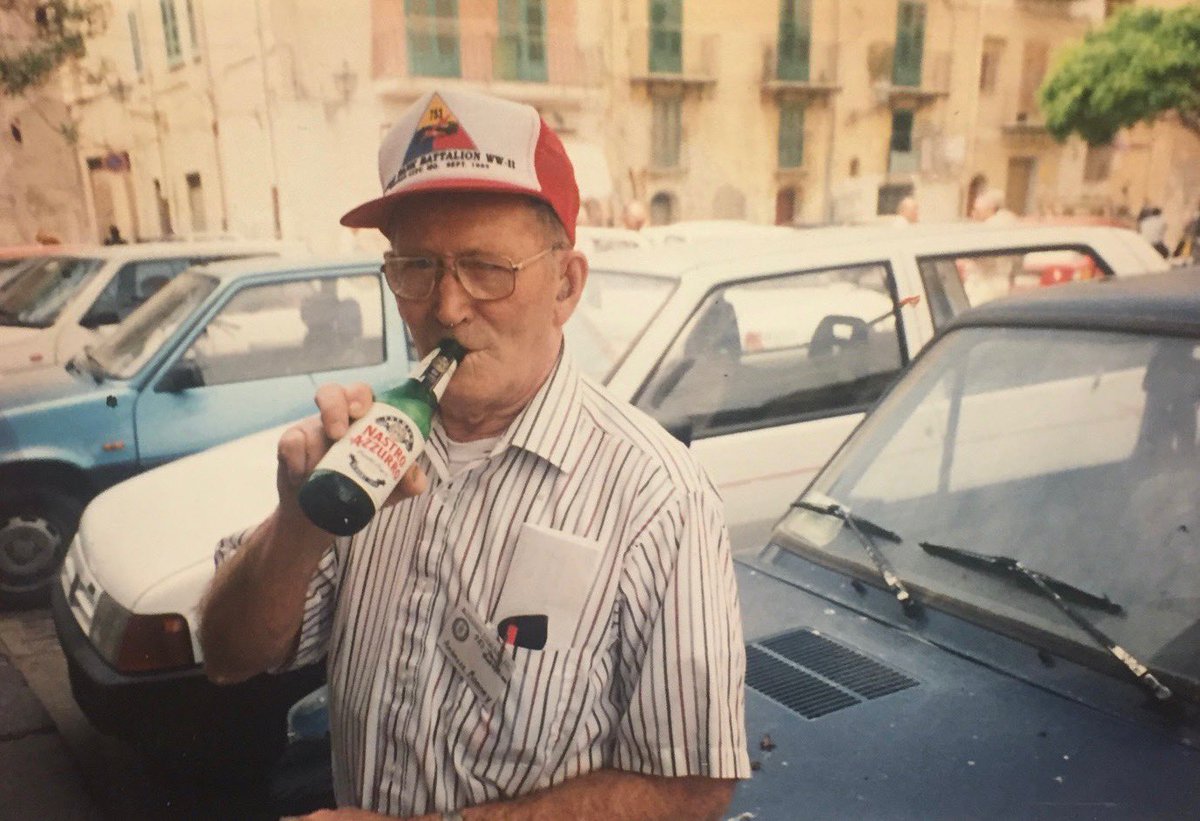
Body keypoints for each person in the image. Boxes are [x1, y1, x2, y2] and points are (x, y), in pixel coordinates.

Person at [198, 88, 750, 820]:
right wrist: (296, 526)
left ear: (566, 285)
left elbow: (693, 784)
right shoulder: (370, 447)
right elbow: (227, 654)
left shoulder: (658, 495)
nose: (447, 308)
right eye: (416, 267)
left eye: (487, 268)